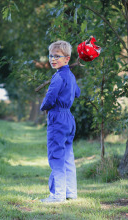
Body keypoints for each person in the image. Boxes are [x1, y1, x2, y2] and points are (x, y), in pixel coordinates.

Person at [40, 40, 80, 203]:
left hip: (58, 117)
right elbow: (77, 93)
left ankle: (58, 195)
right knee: (68, 156)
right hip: (69, 120)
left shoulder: (57, 77)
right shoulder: (70, 75)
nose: (53, 59)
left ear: (67, 58)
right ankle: (71, 192)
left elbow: (50, 98)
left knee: (56, 156)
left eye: (57, 56)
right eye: (50, 56)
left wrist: (43, 106)